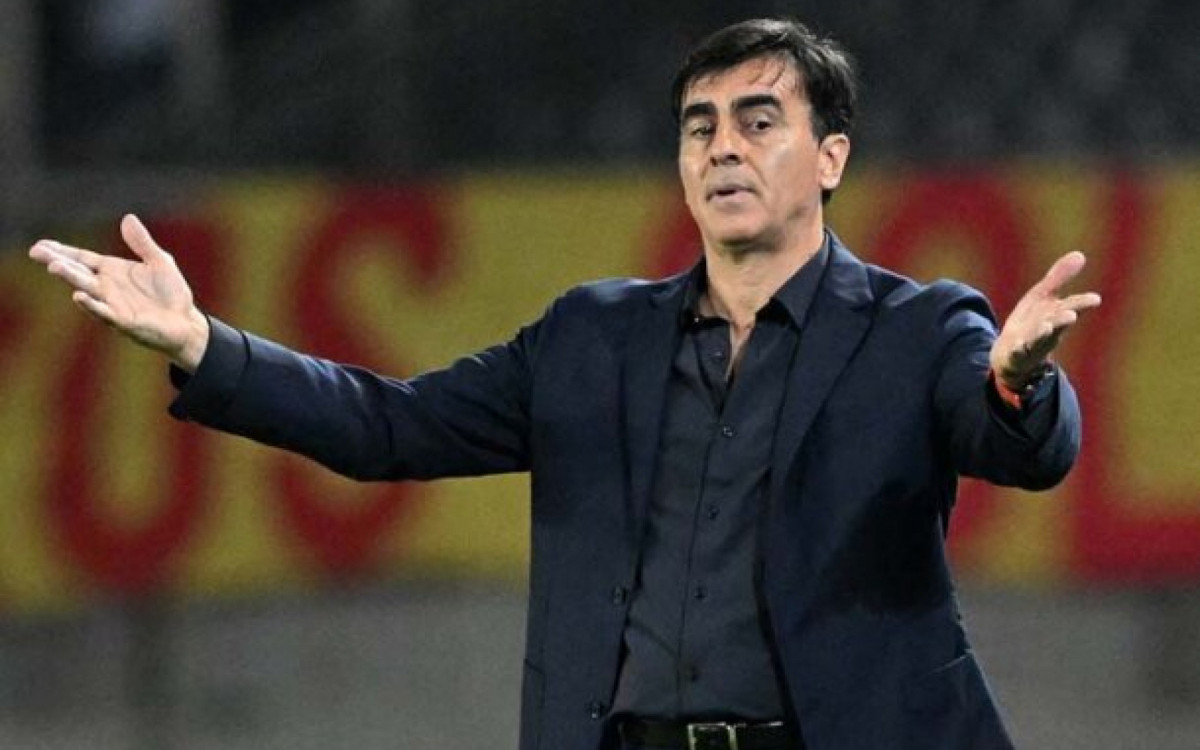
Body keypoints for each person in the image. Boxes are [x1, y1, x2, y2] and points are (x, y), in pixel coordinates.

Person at [29, 17, 1099, 750]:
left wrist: (1019, 379)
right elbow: (386, 429)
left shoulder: (918, 330)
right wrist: (204, 344)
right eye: (699, 127)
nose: (722, 147)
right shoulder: (592, 338)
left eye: (758, 122)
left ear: (829, 157)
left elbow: (1014, 441)